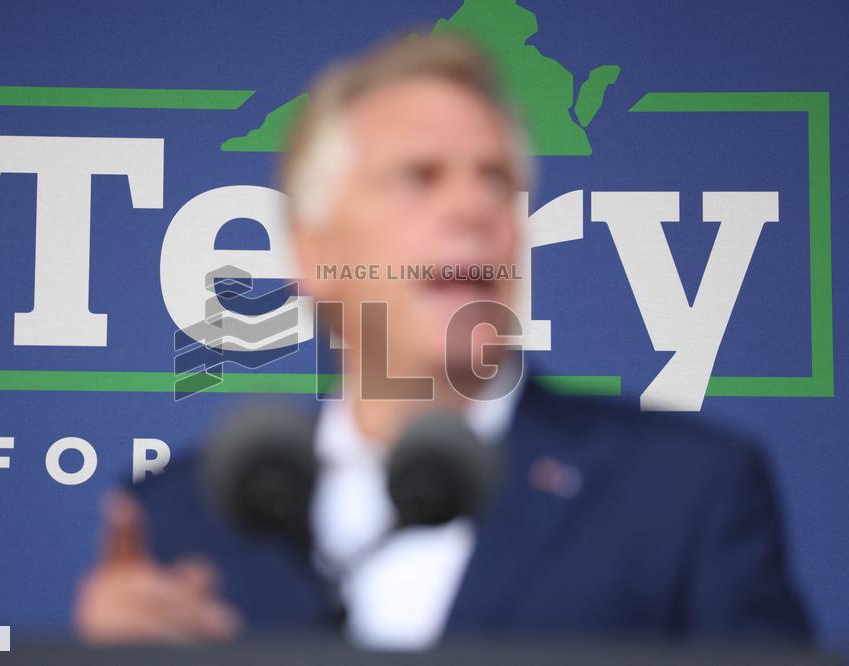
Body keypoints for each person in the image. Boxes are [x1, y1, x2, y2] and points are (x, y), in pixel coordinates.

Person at [72, 34, 810, 649]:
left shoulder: (684, 492)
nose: (472, 207)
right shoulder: (182, 518)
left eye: (496, 181)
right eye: (417, 178)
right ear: (314, 254)